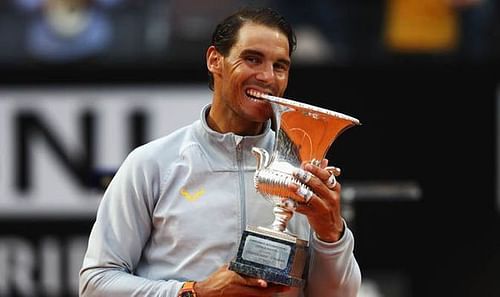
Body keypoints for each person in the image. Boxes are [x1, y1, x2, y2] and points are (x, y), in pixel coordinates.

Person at [79, 6, 361, 297]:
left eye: (280, 66)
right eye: (252, 59)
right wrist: (194, 292)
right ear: (215, 60)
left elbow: (338, 295)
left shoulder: (301, 174)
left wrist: (331, 235)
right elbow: (96, 284)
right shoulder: (152, 164)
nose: (267, 77)